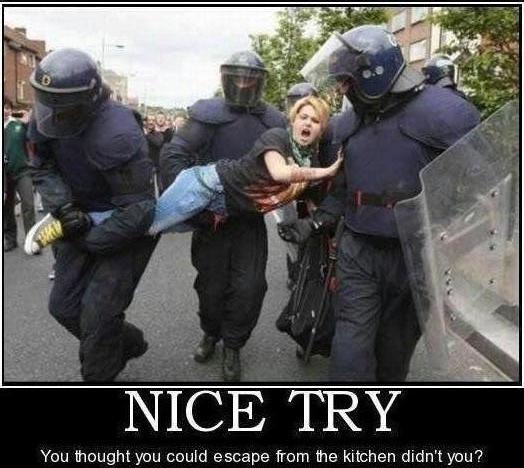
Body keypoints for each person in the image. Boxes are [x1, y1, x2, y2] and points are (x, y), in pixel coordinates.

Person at [279, 25, 481, 382]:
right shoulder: (348, 123)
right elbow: (343, 189)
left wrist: (459, 232)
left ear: (374, 72)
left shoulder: (445, 114)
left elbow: (478, 183)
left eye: (347, 81)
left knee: (393, 354)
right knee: (350, 351)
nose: (342, 89)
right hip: (359, 250)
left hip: (415, 256)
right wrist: (315, 222)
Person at [26, 48, 158, 382]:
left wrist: (88, 238)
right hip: (77, 214)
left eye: (63, 107)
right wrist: (65, 208)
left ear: (88, 99)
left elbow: (139, 210)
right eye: (48, 103)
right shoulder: (46, 114)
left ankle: (99, 372)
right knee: (64, 307)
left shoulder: (119, 132)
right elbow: (41, 166)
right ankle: (127, 342)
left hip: (123, 225)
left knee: (99, 316)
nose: (53, 115)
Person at [159, 50, 288, 382]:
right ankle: (211, 332)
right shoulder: (207, 116)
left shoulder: (273, 120)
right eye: (238, 77)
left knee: (250, 288)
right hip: (211, 220)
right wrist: (192, 203)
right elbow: (174, 154)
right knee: (210, 287)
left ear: (260, 82)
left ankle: (233, 344)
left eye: (250, 78)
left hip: (249, 220)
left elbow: (292, 160)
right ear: (227, 79)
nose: (243, 84)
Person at [3, 97, 36, 252]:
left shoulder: (18, 124)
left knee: (28, 204)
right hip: (5, 176)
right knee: (6, 208)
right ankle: (10, 239)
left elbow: (33, 139)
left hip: (23, 171)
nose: (5, 110)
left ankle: (31, 239)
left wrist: (28, 124)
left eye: (7, 107)